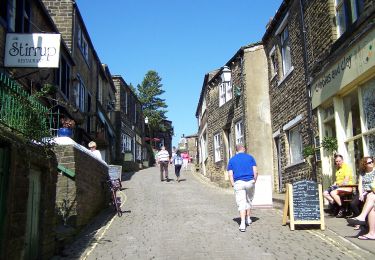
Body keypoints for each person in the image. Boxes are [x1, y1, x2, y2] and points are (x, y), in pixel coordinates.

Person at [227, 144, 258, 232]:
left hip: (238, 183)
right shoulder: (250, 157)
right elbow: (255, 171)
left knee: (241, 203)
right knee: (248, 200)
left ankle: (242, 224)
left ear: (236, 150)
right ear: (243, 149)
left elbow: (230, 174)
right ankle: (248, 218)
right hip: (250, 181)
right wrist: (254, 180)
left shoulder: (232, 160)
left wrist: (233, 183)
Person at [349, 157, 375, 229]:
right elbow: (360, 184)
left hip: (371, 192)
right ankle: (359, 220)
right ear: (365, 165)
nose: (371, 163)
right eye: (369, 162)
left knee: (366, 201)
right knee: (353, 203)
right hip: (363, 191)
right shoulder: (362, 172)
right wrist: (360, 194)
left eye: (372, 161)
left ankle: (363, 221)